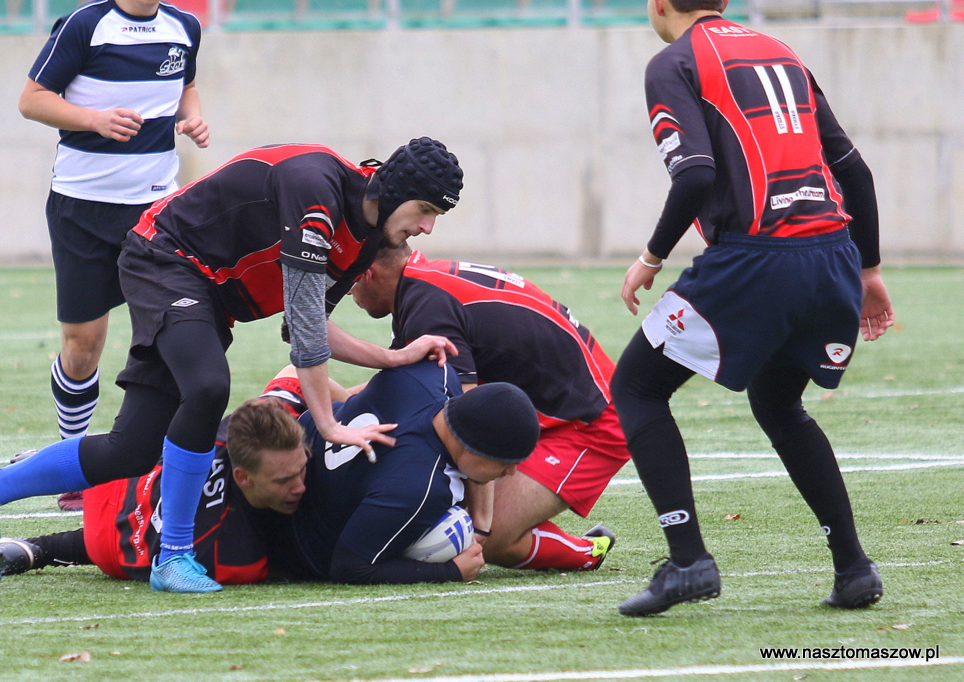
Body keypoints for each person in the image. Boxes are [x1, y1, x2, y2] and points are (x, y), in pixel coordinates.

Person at [0, 138, 464, 593]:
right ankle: (173, 556)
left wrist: (395, 355)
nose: (427, 227)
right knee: (209, 387)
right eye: (425, 209)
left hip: (203, 292)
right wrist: (328, 424)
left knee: (131, 448)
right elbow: (305, 328)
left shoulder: (364, 241)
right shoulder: (318, 189)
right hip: (165, 257)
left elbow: (303, 327)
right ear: (393, 190)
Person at [610, 0, 896, 616]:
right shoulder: (781, 51)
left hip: (758, 259)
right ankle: (853, 569)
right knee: (779, 403)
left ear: (659, 4)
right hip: (833, 255)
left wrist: (651, 258)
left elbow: (694, 175)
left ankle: (688, 560)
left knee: (635, 387)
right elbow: (854, 170)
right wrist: (869, 269)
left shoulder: (674, 62)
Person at [0, 361, 538, 586]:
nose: (301, 487)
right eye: (284, 482)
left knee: (283, 389)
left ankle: (55, 479)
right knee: (118, 532)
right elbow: (348, 564)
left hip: (142, 472)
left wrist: (338, 413)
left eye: (301, 470)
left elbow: (295, 378)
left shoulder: (425, 377)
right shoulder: (241, 550)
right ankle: (46, 536)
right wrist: (448, 573)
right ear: (244, 478)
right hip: (124, 522)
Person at [351, 244, 630, 572]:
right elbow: (403, 391)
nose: (347, 293)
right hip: (548, 408)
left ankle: (588, 551)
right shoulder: (422, 287)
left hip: (594, 420)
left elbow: (472, 426)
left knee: (491, 538)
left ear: (368, 274)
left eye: (349, 282)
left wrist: (481, 525)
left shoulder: (427, 305)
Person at [19, 0, 209, 441]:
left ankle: (154, 450)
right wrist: (94, 120)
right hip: (81, 208)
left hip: (156, 212)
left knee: (171, 333)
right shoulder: (84, 25)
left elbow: (188, 86)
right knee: (82, 348)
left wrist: (193, 117)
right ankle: (73, 453)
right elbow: (31, 100)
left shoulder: (185, 26)